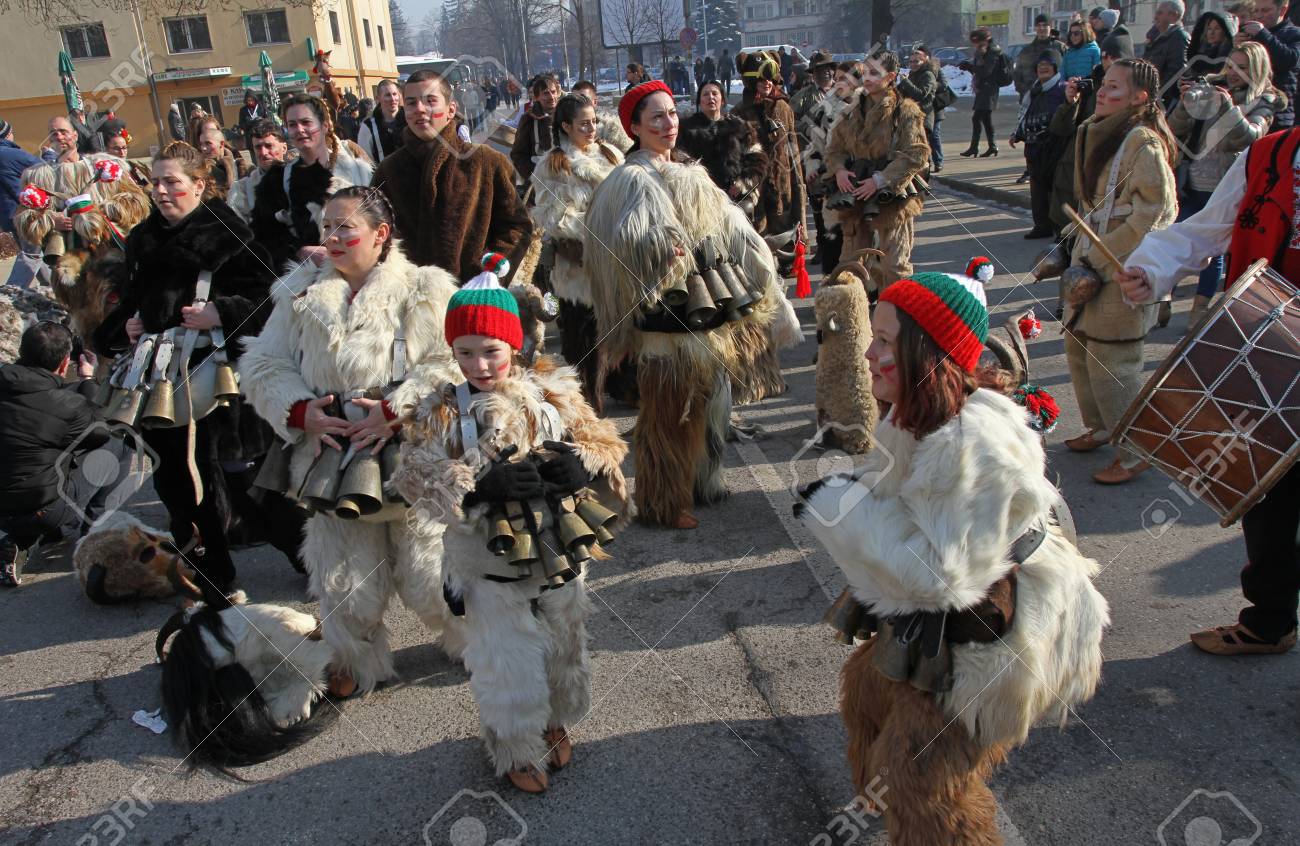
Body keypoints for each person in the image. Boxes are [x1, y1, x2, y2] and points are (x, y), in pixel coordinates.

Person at [794, 266, 1108, 846]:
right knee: (865, 692)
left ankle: (932, 820)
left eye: (884, 341)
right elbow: (895, 496)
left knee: (920, 775)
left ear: (924, 355)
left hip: (1001, 631)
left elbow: (936, 580)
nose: (868, 354)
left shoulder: (971, 444)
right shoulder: (914, 412)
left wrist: (835, 511)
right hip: (958, 606)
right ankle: (894, 805)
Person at [391, 256, 628, 794]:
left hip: (557, 546)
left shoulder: (553, 392)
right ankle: (515, 745)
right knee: (504, 654)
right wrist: (477, 485)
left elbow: (603, 440)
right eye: (465, 352)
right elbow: (412, 475)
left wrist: (582, 462)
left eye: (491, 350)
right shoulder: (439, 409)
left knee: (565, 637)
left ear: (515, 345)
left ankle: (555, 719)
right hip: (486, 558)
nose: (478, 364)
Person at [240, 185, 462, 694]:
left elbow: (452, 361)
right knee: (344, 577)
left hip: (413, 453)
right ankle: (354, 660)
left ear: (381, 234)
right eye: (327, 227)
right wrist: (301, 411)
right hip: (333, 456)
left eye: (345, 227)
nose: (333, 238)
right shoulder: (299, 292)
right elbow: (262, 362)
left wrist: (397, 410)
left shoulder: (425, 288)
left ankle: (472, 640)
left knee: (429, 574)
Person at [1116, 125, 1300, 657]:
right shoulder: (1267, 155)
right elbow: (1203, 231)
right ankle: (1270, 622)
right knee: (1267, 494)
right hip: (1266, 356)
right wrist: (1151, 269)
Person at [582, 80, 779, 529]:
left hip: (704, 305)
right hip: (662, 316)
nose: (668, 123)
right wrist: (658, 248)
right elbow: (619, 242)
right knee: (670, 411)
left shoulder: (688, 171)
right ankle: (662, 502)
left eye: (671, 113)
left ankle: (701, 482)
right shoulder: (630, 179)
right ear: (635, 127)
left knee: (709, 401)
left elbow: (730, 227)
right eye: (656, 116)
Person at [93, 142, 276, 600]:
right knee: (176, 478)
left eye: (171, 181)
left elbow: (271, 300)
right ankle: (210, 571)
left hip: (216, 378)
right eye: (155, 182)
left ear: (198, 184)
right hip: (159, 379)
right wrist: (125, 327)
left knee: (237, 480)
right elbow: (133, 301)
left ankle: (307, 555)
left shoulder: (229, 235)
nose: (160, 191)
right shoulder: (142, 239)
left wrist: (221, 313)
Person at [1062, 58, 1177, 485]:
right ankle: (1101, 427)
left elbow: (1156, 212)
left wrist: (1101, 255)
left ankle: (1134, 452)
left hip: (1121, 265)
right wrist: (1070, 247)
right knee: (1079, 348)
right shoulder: (1098, 130)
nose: (1102, 92)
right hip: (1089, 259)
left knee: (1114, 362)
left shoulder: (1143, 143)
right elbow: (1092, 205)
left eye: (1114, 87)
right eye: (1103, 84)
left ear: (1139, 97)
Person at [374, 71, 533, 282]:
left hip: (473, 294)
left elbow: (516, 227)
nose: (419, 109)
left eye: (430, 101)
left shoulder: (486, 162)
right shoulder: (388, 170)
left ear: (451, 110)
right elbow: (376, 235)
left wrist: (488, 279)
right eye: (411, 103)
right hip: (410, 295)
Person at [1168, 41, 1282, 327]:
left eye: (1242, 67)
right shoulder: (1211, 88)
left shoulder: (1265, 101)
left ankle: (1199, 309)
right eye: (1230, 65)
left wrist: (1229, 107)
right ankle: (1162, 297)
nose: (1233, 73)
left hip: (1227, 186)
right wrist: (1185, 104)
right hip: (1192, 180)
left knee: (1213, 249)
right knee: (1176, 238)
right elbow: (1175, 129)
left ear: (1256, 70)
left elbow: (1251, 138)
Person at [530, 94, 623, 403]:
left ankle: (621, 388)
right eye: (584, 124)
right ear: (566, 126)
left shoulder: (610, 154)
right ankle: (584, 402)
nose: (591, 128)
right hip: (576, 265)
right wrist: (598, 227)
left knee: (617, 329)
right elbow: (552, 216)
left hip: (614, 259)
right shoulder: (553, 164)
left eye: (594, 122)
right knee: (581, 335)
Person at [0, 322, 108, 586]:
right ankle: (93, 532)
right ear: (63, 364)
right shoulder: (67, 405)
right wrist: (88, 380)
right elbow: (101, 431)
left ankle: (30, 537)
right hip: (41, 509)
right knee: (118, 443)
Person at [825, 52, 929, 293]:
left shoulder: (905, 111)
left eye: (875, 73)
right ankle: (851, 312)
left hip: (892, 197)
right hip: (856, 195)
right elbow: (834, 150)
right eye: (865, 72)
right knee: (850, 266)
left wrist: (880, 180)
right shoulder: (850, 111)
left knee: (895, 266)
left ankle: (896, 313)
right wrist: (839, 170)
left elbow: (917, 153)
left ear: (890, 77)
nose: (867, 78)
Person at [250, 93, 373, 270]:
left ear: (324, 126)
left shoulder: (358, 171)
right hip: (311, 275)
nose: (299, 129)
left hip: (361, 269)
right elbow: (264, 238)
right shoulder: (277, 182)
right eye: (292, 125)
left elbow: (380, 223)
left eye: (306, 122)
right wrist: (299, 251)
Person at [736, 54, 807, 245]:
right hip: (753, 195)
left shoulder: (784, 108)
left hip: (782, 192)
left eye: (770, 78)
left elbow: (794, 155)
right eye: (761, 79)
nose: (766, 82)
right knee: (757, 248)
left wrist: (798, 196)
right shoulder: (739, 113)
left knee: (785, 247)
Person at [1012, 51, 1067, 239]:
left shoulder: (1062, 89)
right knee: (1037, 190)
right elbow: (1024, 115)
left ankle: (1060, 229)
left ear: (1055, 68)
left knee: (1055, 191)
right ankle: (1042, 226)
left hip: (1054, 148)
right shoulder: (1033, 91)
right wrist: (1017, 134)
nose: (1043, 68)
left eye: (1048, 65)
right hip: (1033, 147)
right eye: (1040, 65)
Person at [792, 51, 840, 261]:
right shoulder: (803, 97)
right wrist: (808, 127)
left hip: (842, 155)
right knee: (818, 202)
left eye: (828, 69)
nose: (824, 73)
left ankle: (843, 245)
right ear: (813, 73)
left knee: (841, 200)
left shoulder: (844, 92)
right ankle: (823, 244)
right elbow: (789, 121)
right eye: (819, 70)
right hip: (815, 157)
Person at [1235, 0, 1300, 128]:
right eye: (1256, 11)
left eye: (1265, 10)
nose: (1259, 16)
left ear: (1282, 10)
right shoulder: (1250, 35)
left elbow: (1289, 61)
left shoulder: (1295, 34)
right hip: (1248, 110)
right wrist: (1235, 47)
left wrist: (1264, 35)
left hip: (1278, 112)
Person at [960, 28, 1011, 157]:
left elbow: (986, 72)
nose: (975, 45)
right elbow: (980, 71)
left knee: (978, 118)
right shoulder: (984, 51)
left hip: (989, 89)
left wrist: (970, 67)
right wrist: (969, 66)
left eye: (977, 42)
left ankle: (977, 147)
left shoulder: (992, 52)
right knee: (984, 119)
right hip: (984, 88)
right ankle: (989, 147)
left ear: (985, 40)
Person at [227, 118, 289, 222]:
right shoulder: (241, 190)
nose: (263, 152)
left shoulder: (302, 179)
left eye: (269, 146)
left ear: (284, 148)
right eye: (258, 147)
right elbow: (237, 228)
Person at [897, 45, 943, 173]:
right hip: (913, 115)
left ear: (924, 61)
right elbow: (902, 91)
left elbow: (921, 94)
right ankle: (923, 169)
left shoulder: (928, 75)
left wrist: (906, 82)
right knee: (917, 146)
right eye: (911, 61)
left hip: (924, 114)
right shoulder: (913, 74)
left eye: (916, 61)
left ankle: (928, 169)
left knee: (924, 145)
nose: (913, 64)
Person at [511, 74, 561, 185]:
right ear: (536, 97)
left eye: (553, 92)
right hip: (540, 183)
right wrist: (534, 177)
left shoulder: (568, 116)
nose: (551, 97)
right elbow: (518, 154)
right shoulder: (528, 120)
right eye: (546, 93)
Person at [1146, 0, 1192, 109]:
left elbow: (1176, 73)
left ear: (1173, 15)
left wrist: (1155, 95)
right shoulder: (1155, 38)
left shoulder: (1179, 38)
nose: (1155, 17)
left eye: (1160, 13)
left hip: (1163, 102)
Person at [192, 114, 250, 199]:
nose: (209, 134)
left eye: (213, 131)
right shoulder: (197, 164)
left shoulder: (236, 157)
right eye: (205, 132)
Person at [1015, 15, 1068, 103]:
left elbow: (1068, 70)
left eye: (1045, 25)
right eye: (1039, 25)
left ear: (1050, 27)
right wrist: (1027, 91)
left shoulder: (1060, 48)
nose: (1041, 28)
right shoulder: (1026, 51)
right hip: (1032, 99)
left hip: (1056, 98)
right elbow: (1017, 76)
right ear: (1035, 28)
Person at [572, 80, 633, 151]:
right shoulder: (567, 131)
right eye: (574, 101)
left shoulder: (612, 131)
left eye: (584, 100)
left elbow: (629, 154)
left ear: (595, 102)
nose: (578, 105)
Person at [356, 79, 403, 165]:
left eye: (395, 94)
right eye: (387, 95)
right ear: (378, 98)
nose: (393, 99)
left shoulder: (409, 118)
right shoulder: (368, 126)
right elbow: (365, 161)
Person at [1185, 9, 1238, 78]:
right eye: (1209, 28)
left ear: (1225, 31)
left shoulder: (1230, 54)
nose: (1211, 32)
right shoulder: (1201, 51)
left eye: (1217, 28)